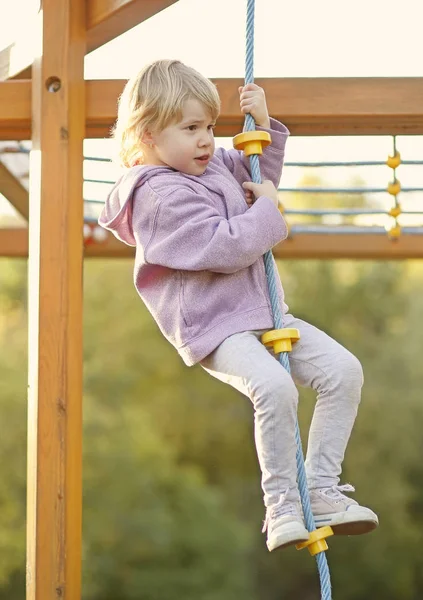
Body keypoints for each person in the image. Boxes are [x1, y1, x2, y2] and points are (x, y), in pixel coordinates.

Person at [99, 59, 379, 552]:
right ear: (146, 134)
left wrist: (263, 127)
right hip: (214, 325)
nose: (207, 139)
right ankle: (282, 507)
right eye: (190, 129)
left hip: (264, 310)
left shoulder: (211, 165)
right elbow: (224, 246)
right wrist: (270, 210)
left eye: (209, 125)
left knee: (344, 371)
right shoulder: (157, 195)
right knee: (274, 387)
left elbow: (257, 173)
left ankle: (320, 488)